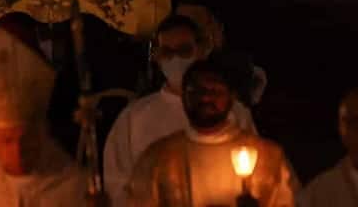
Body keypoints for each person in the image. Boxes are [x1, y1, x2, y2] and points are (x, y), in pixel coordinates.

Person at [104, 15, 257, 207]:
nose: (175, 59)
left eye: (184, 50)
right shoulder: (133, 118)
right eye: (168, 52)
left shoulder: (232, 111)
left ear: (200, 51)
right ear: (158, 56)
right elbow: (116, 183)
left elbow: (256, 172)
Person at [126, 59, 299, 207]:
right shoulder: (157, 159)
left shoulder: (268, 158)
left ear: (231, 97)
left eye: (214, 91)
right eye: (197, 91)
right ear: (183, 97)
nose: (205, 98)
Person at [0, 25, 87, 207]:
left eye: (27, 138)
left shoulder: (75, 187)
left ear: (43, 129)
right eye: (7, 140)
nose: (18, 152)